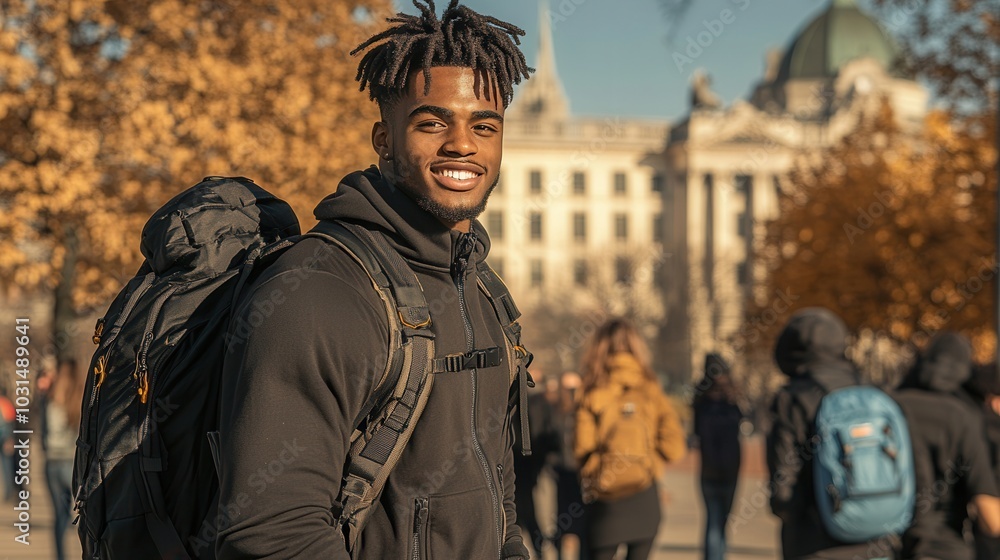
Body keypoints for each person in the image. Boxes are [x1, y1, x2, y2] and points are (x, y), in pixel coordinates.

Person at [215, 2, 534, 559]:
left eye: (484, 126)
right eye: (433, 122)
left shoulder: (481, 290)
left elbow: (495, 487)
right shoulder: (319, 292)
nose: (463, 144)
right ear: (383, 139)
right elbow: (270, 535)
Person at [767, 307, 890, 559]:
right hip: (876, 541)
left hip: (815, 541)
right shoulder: (871, 393)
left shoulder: (792, 399)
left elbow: (783, 488)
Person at [574, 318, 686, 560]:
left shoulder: (590, 387)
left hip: (605, 499)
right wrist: (646, 456)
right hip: (644, 495)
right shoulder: (649, 385)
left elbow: (582, 446)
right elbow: (674, 447)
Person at [895, 332, 1000, 560]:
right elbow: (991, 516)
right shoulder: (963, 417)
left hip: (891, 544)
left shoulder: (892, 405)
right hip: (945, 547)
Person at [692, 353, 743, 560]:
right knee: (721, 520)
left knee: (712, 519)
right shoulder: (733, 399)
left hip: (709, 468)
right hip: (730, 467)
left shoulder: (701, 399)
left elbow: (696, 432)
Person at [513, 369, 560, 558]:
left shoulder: (531, 403)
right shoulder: (535, 402)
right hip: (528, 466)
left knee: (524, 512)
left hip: (524, 466)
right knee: (526, 512)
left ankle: (536, 548)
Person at [40, 359, 84, 560]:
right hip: (71, 462)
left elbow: (43, 435)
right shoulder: (79, 400)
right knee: (85, 515)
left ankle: (60, 557)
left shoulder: (50, 400)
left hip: (52, 462)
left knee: (59, 516)